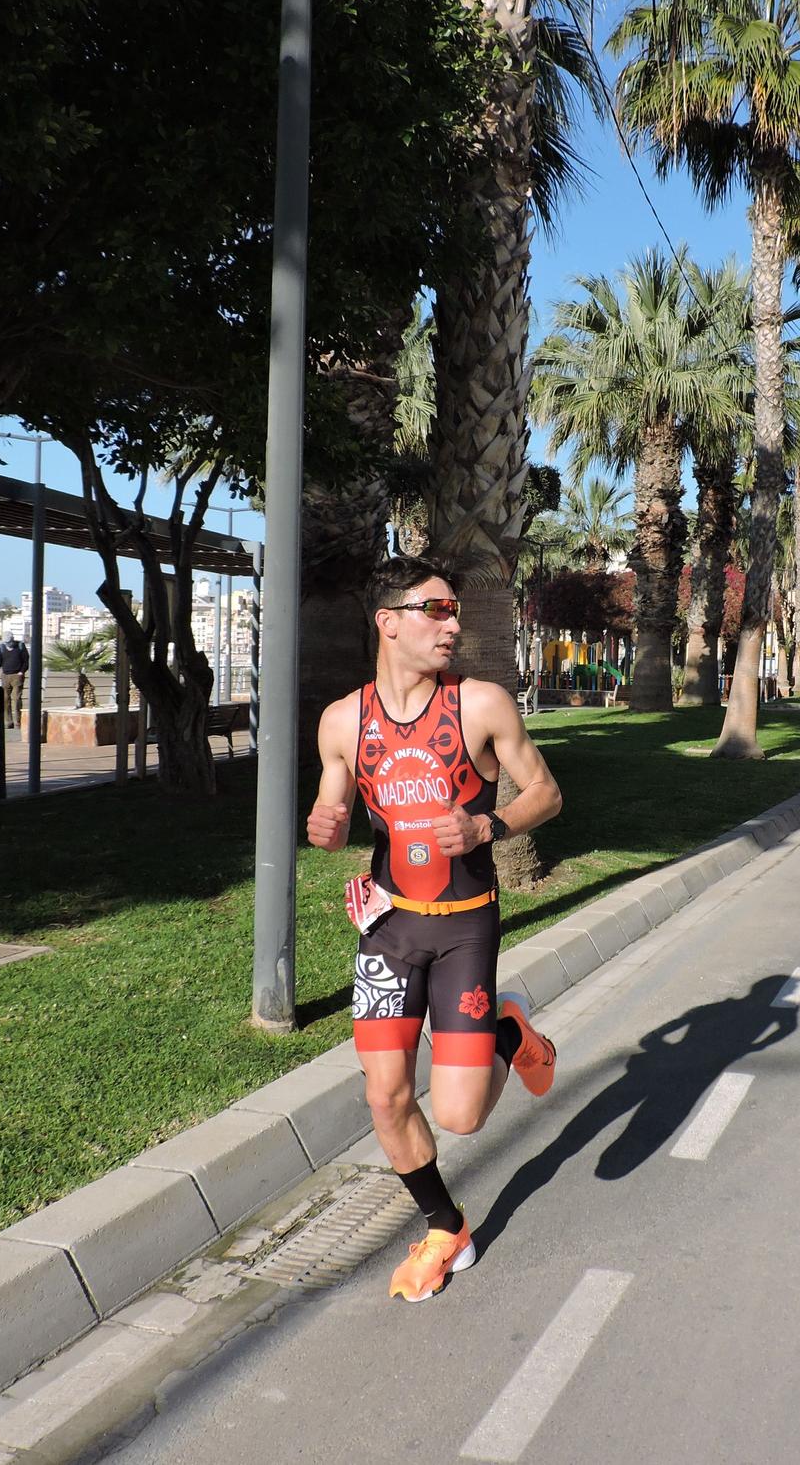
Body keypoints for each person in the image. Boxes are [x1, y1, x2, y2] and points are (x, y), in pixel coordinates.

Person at [306, 556, 563, 1302]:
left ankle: (506, 1030)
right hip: (388, 927)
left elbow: (546, 792)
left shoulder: (480, 704)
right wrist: (325, 828)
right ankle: (444, 1227)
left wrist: (489, 825)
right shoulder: (342, 721)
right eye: (435, 611)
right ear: (389, 622)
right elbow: (335, 813)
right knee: (384, 1097)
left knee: (461, 1114)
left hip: (461, 930)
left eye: (456, 611)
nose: (454, 624)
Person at [0, 636, 29, 729]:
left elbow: (26, 661)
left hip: (17, 676)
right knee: (5, 699)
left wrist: (21, 672)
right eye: (7, 643)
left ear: (12, 640)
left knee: (16, 699)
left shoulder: (20, 646)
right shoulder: (2, 648)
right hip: (5, 676)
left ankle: (18, 722)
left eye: (10, 642)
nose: (9, 645)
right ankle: (8, 722)